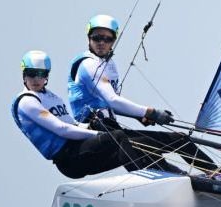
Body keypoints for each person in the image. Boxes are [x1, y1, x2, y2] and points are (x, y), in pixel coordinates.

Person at [67, 14, 216, 172]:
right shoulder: (88, 64)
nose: (102, 43)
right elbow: (112, 100)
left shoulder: (108, 65)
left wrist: (138, 116)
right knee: (152, 151)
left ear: (113, 41)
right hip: (100, 132)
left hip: (113, 127)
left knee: (179, 141)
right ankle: (196, 179)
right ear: (89, 38)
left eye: (107, 39)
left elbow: (110, 105)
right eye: (97, 38)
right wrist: (151, 112)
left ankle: (216, 176)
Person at [12, 50, 184, 178]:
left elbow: (72, 124)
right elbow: (62, 129)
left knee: (132, 144)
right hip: (69, 160)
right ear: (23, 75)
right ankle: (147, 180)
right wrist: (99, 134)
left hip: (80, 150)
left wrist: (89, 127)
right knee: (117, 136)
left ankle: (175, 176)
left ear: (46, 76)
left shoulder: (52, 97)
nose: (36, 79)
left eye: (41, 74)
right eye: (31, 74)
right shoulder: (27, 102)